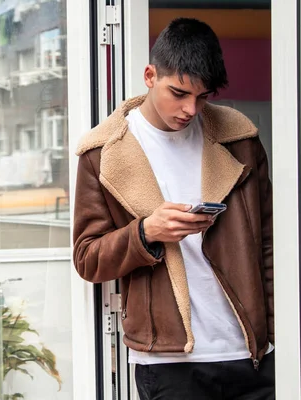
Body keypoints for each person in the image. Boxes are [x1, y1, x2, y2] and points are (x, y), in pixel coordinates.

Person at [72, 18, 274, 399]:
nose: (190, 109)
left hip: (251, 355)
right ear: (150, 75)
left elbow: (270, 245)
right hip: (168, 363)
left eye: (202, 97)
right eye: (178, 93)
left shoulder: (239, 138)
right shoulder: (102, 154)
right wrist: (146, 233)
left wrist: (279, 336)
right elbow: (87, 258)